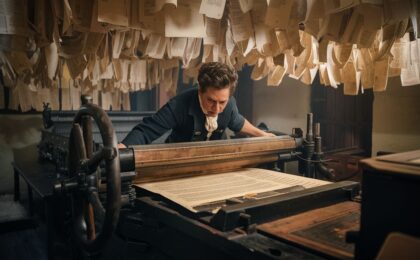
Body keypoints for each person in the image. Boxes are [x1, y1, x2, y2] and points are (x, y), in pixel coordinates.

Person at [119, 62, 274, 148]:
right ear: (200, 89)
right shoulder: (179, 105)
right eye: (211, 101)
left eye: (222, 102)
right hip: (178, 161)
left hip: (213, 162)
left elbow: (237, 121)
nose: (217, 109)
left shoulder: (229, 104)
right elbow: (146, 131)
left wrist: (263, 135)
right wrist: (124, 147)